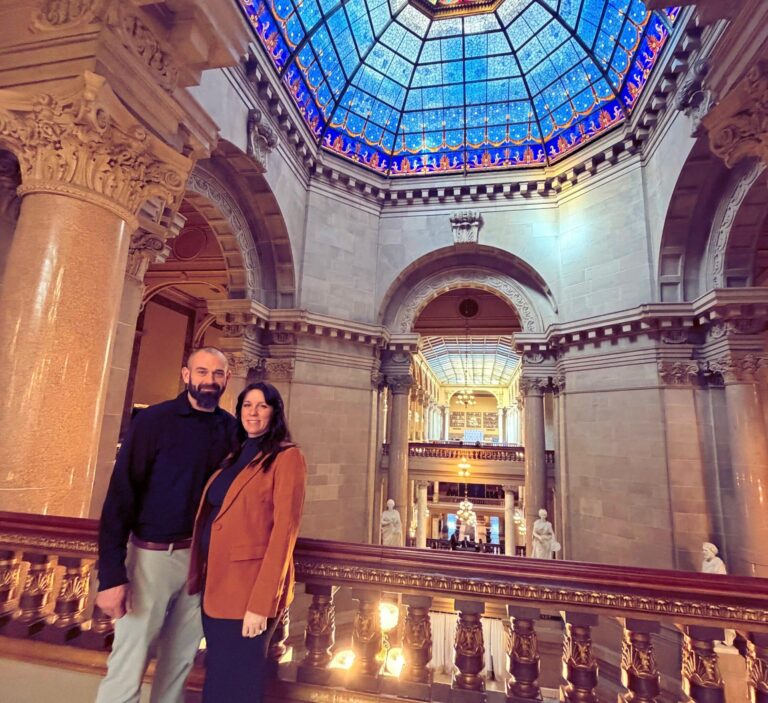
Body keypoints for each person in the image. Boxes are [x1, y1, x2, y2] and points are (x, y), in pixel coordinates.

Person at [96, 347, 236, 703]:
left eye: (217, 374)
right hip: (151, 558)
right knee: (129, 660)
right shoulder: (153, 421)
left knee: (179, 663)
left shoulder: (231, 430)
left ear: (227, 379)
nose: (209, 380)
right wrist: (111, 576)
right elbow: (120, 497)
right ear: (186, 375)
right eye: (201, 372)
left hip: (202, 562)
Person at [188, 381, 307, 703]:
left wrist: (261, 603)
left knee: (241, 683)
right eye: (246, 405)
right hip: (216, 584)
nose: (253, 413)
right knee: (217, 675)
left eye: (262, 406)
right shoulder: (235, 454)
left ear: (274, 412)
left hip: (249, 591)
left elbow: (284, 531)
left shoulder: (286, 457)